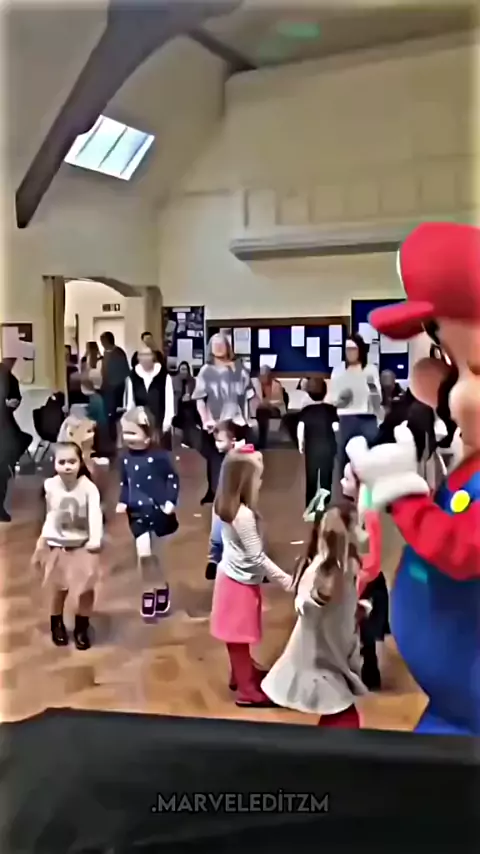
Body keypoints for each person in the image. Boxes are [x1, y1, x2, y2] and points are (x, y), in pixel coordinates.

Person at [344, 221, 480, 735]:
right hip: (453, 709)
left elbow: (463, 549)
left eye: (472, 369)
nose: (437, 387)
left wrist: (404, 498)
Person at [261, 505, 367, 728]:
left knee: (339, 711)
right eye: (357, 526)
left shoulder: (342, 567)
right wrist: (311, 603)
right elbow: (309, 602)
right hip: (321, 659)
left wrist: (357, 608)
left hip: (331, 652)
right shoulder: (325, 571)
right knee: (343, 714)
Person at [210, 446, 292, 707]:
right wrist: (285, 579)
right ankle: (247, 690)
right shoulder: (243, 515)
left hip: (233, 578)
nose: (261, 482)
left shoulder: (226, 505)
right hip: (239, 584)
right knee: (238, 636)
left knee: (236, 636)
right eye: (258, 477)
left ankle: (241, 672)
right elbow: (257, 556)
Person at [31, 442, 103, 650]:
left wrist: (95, 539)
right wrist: (44, 538)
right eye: (62, 462)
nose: (67, 466)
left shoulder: (88, 488)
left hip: (83, 546)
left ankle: (82, 625)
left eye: (72, 461)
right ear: (54, 464)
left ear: (80, 463)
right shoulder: (50, 486)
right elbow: (50, 515)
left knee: (85, 590)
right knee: (59, 588)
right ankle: (57, 623)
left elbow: (95, 515)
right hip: (58, 546)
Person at [117, 407, 179, 618]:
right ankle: (147, 591)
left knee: (155, 556)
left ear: (148, 433)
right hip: (136, 512)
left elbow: (172, 478)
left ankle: (161, 585)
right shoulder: (125, 458)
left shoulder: (160, 456)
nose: (128, 438)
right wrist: (123, 501)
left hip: (158, 510)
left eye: (132, 432)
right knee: (143, 554)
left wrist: (170, 501)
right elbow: (125, 482)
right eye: (125, 432)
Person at [192, 332, 256, 504]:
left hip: (238, 422)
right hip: (216, 423)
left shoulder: (240, 369)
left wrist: (251, 418)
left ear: (228, 347)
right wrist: (206, 420)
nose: (219, 347)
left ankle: (238, 495)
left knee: (239, 459)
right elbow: (200, 399)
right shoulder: (206, 371)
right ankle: (218, 496)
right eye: (215, 344)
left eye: (222, 344)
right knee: (217, 461)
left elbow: (249, 396)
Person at [329, 334, 381, 476]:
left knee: (369, 456)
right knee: (344, 458)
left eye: (353, 349)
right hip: (346, 418)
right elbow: (333, 400)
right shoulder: (338, 371)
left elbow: (377, 400)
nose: (349, 353)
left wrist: (372, 389)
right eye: (347, 349)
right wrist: (342, 400)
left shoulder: (370, 369)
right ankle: (346, 485)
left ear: (360, 350)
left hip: (367, 418)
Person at [204, 420, 249, 581]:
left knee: (244, 534)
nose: (217, 444)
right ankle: (213, 560)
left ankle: (250, 563)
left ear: (233, 440)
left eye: (220, 441)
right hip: (220, 500)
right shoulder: (216, 454)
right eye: (216, 441)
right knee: (216, 535)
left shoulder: (241, 457)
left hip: (238, 500)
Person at [296, 377, 338, 508]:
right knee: (326, 476)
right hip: (328, 448)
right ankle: (324, 503)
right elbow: (336, 428)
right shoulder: (331, 410)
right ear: (325, 392)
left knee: (311, 477)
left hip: (311, 449)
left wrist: (300, 445)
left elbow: (300, 429)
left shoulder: (306, 411)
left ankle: (310, 504)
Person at [0, 356, 32, 521]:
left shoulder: (9, 377)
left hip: (4, 425)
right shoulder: (6, 376)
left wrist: (12, 404)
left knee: (2, 467)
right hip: (4, 427)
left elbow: (15, 399)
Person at [124, 342, 174, 444]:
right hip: (140, 427)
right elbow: (130, 404)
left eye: (148, 355)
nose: (145, 358)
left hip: (160, 426)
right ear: (138, 358)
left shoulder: (164, 376)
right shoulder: (132, 377)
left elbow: (169, 403)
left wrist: (166, 425)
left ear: (153, 357)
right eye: (142, 355)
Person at [99, 331, 129, 446]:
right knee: (107, 414)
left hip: (116, 389)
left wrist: (115, 384)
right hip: (107, 388)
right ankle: (108, 438)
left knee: (114, 414)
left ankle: (115, 438)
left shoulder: (118, 353)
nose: (102, 343)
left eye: (103, 341)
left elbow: (124, 372)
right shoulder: (106, 353)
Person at [253, 366, 286, 450]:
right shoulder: (256, 385)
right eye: (261, 376)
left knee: (262, 412)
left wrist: (268, 404)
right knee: (262, 412)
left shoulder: (276, 385)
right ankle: (258, 440)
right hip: (260, 409)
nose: (262, 378)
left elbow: (280, 401)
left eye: (265, 376)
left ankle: (262, 441)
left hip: (276, 408)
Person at [171, 361, 198, 447]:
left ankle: (187, 440)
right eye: (182, 369)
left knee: (188, 416)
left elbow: (197, 395)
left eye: (185, 369)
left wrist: (191, 398)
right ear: (179, 370)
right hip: (177, 406)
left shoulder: (192, 381)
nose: (184, 371)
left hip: (189, 406)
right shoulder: (174, 381)